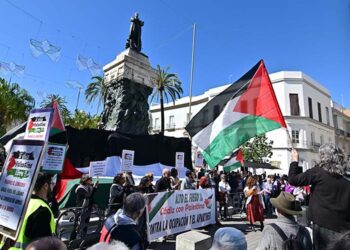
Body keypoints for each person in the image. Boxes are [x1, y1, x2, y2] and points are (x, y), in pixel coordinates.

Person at [288, 144, 350, 250]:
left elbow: (294, 180)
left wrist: (294, 161)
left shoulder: (318, 172)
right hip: (344, 227)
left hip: (323, 226)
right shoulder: (346, 176)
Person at [1, 173, 56, 250]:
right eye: (52, 184)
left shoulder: (18, 203)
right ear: (46, 186)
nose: (53, 186)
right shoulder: (41, 209)